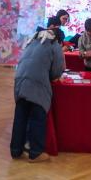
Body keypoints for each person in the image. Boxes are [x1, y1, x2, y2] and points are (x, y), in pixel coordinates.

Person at [11, 16, 66, 163]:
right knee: (37, 117)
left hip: (20, 80)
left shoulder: (33, 40)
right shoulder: (54, 44)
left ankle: (16, 150)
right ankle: (35, 153)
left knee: (20, 116)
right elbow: (56, 73)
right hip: (37, 83)